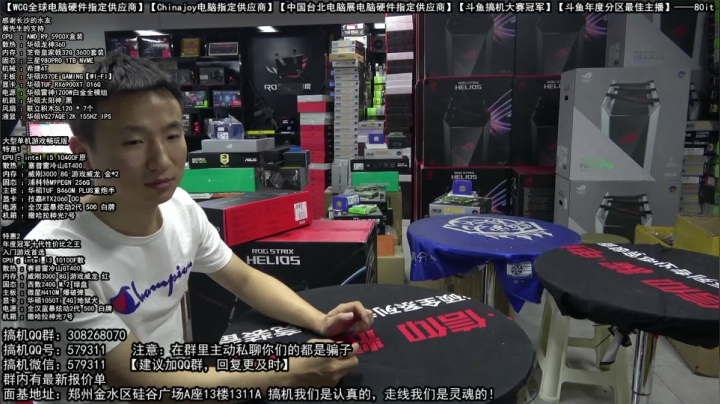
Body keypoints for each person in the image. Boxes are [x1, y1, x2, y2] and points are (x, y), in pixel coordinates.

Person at [15, 51, 372, 401]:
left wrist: (320, 321)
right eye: (134, 142)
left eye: (172, 136)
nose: (161, 159)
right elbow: (133, 377)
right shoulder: (49, 261)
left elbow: (244, 279)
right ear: (83, 153)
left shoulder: (180, 207)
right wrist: (288, 374)